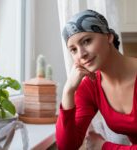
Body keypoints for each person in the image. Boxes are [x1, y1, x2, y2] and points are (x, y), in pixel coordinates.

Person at [56, 9, 137, 150]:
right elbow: (67, 146)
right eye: (73, 50)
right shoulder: (90, 86)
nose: (81, 54)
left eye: (87, 41)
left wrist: (103, 146)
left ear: (108, 36)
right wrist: (68, 92)